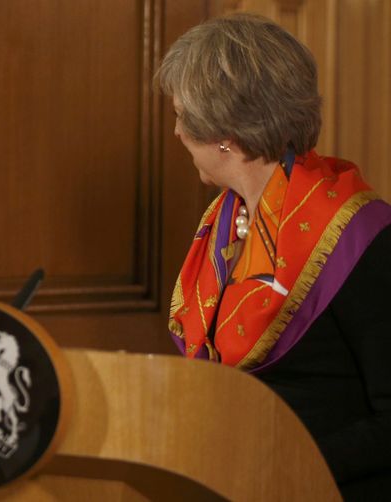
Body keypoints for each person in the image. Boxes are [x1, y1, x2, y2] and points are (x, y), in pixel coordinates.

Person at [156, 14, 391, 499]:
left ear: (225, 132)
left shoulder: (361, 238)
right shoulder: (225, 223)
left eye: (182, 115)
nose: (177, 132)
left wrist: (279, 467)